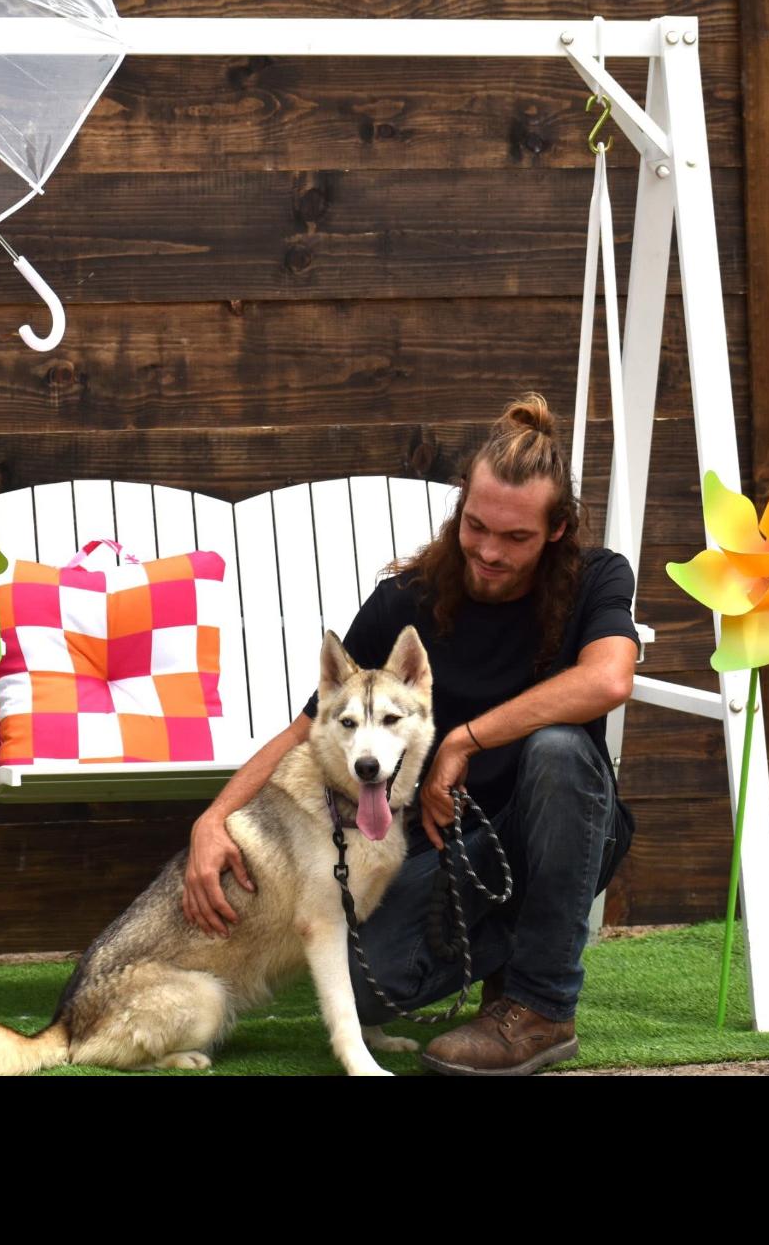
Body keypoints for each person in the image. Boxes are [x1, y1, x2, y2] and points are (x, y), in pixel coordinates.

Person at [181, 391, 639, 1075]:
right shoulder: (405, 602)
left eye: (515, 538)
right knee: (371, 988)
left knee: (559, 751)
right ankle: (509, 968)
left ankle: (540, 1007)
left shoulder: (597, 578)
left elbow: (607, 681)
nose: (487, 551)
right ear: (462, 506)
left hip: (565, 830)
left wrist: (463, 740)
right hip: (448, 848)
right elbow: (310, 726)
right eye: (476, 526)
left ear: (558, 530)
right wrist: (213, 818)